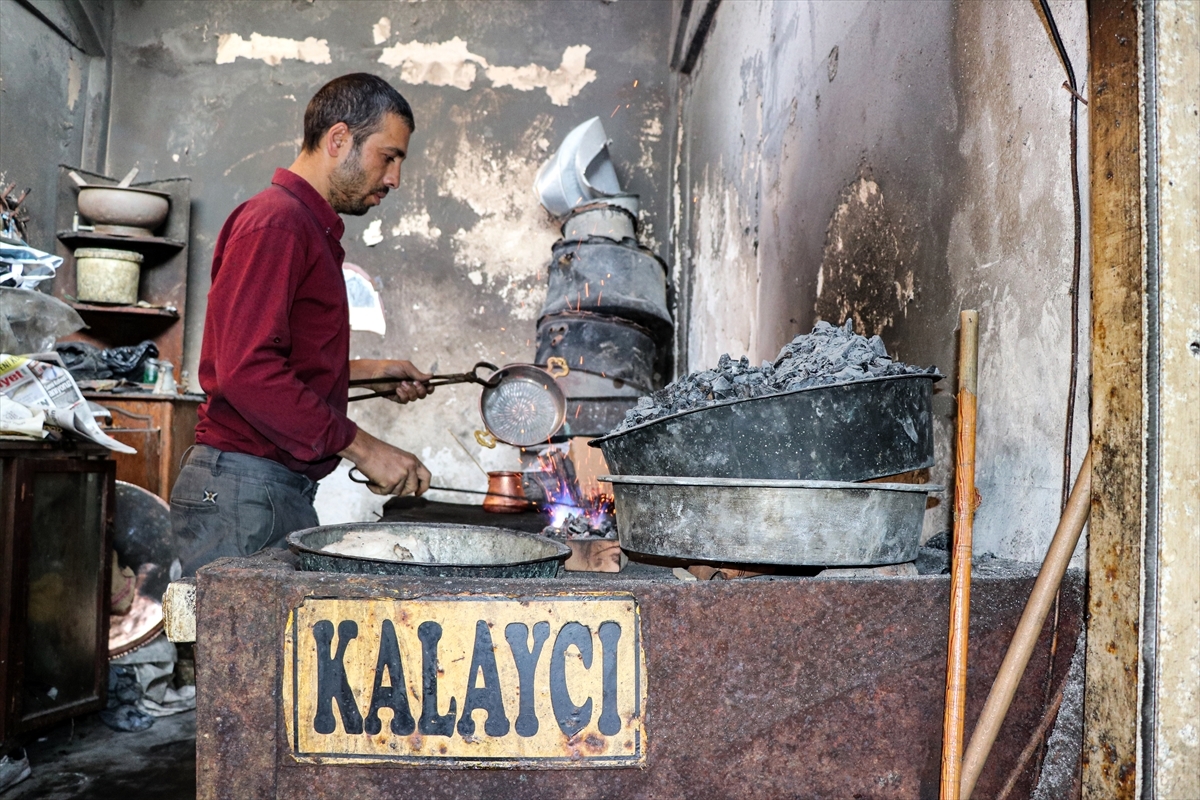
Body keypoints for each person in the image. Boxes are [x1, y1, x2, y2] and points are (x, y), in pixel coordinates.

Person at [172, 73, 433, 575]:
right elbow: (248, 372)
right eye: (389, 156)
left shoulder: (301, 225)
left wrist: (368, 371)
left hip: (263, 491)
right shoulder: (277, 223)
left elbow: (275, 355)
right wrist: (365, 448)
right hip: (243, 493)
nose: (395, 178)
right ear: (339, 140)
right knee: (244, 654)